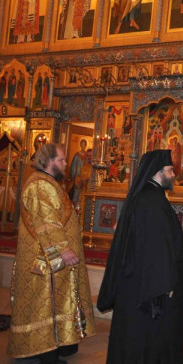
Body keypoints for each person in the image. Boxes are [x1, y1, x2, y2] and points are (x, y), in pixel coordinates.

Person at [8, 143, 96, 363]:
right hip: (46, 258)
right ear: (47, 161)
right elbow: (46, 222)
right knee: (45, 306)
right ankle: (46, 354)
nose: (66, 164)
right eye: (62, 160)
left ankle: (59, 346)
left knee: (54, 303)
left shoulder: (48, 182)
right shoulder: (40, 185)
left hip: (49, 255)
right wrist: (62, 248)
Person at [97, 150, 183, 363]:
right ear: (158, 172)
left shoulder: (148, 196)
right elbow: (155, 247)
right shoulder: (151, 201)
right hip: (149, 287)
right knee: (146, 338)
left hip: (140, 281)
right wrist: (165, 283)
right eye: (170, 170)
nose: (173, 175)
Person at [69, 139, 89, 204]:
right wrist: (73, 176)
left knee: (82, 194)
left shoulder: (87, 156)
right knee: (76, 194)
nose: (83, 146)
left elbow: (88, 166)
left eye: (84, 145)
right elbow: (73, 166)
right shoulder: (77, 155)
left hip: (84, 177)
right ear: (80, 145)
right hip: (78, 177)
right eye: (82, 145)